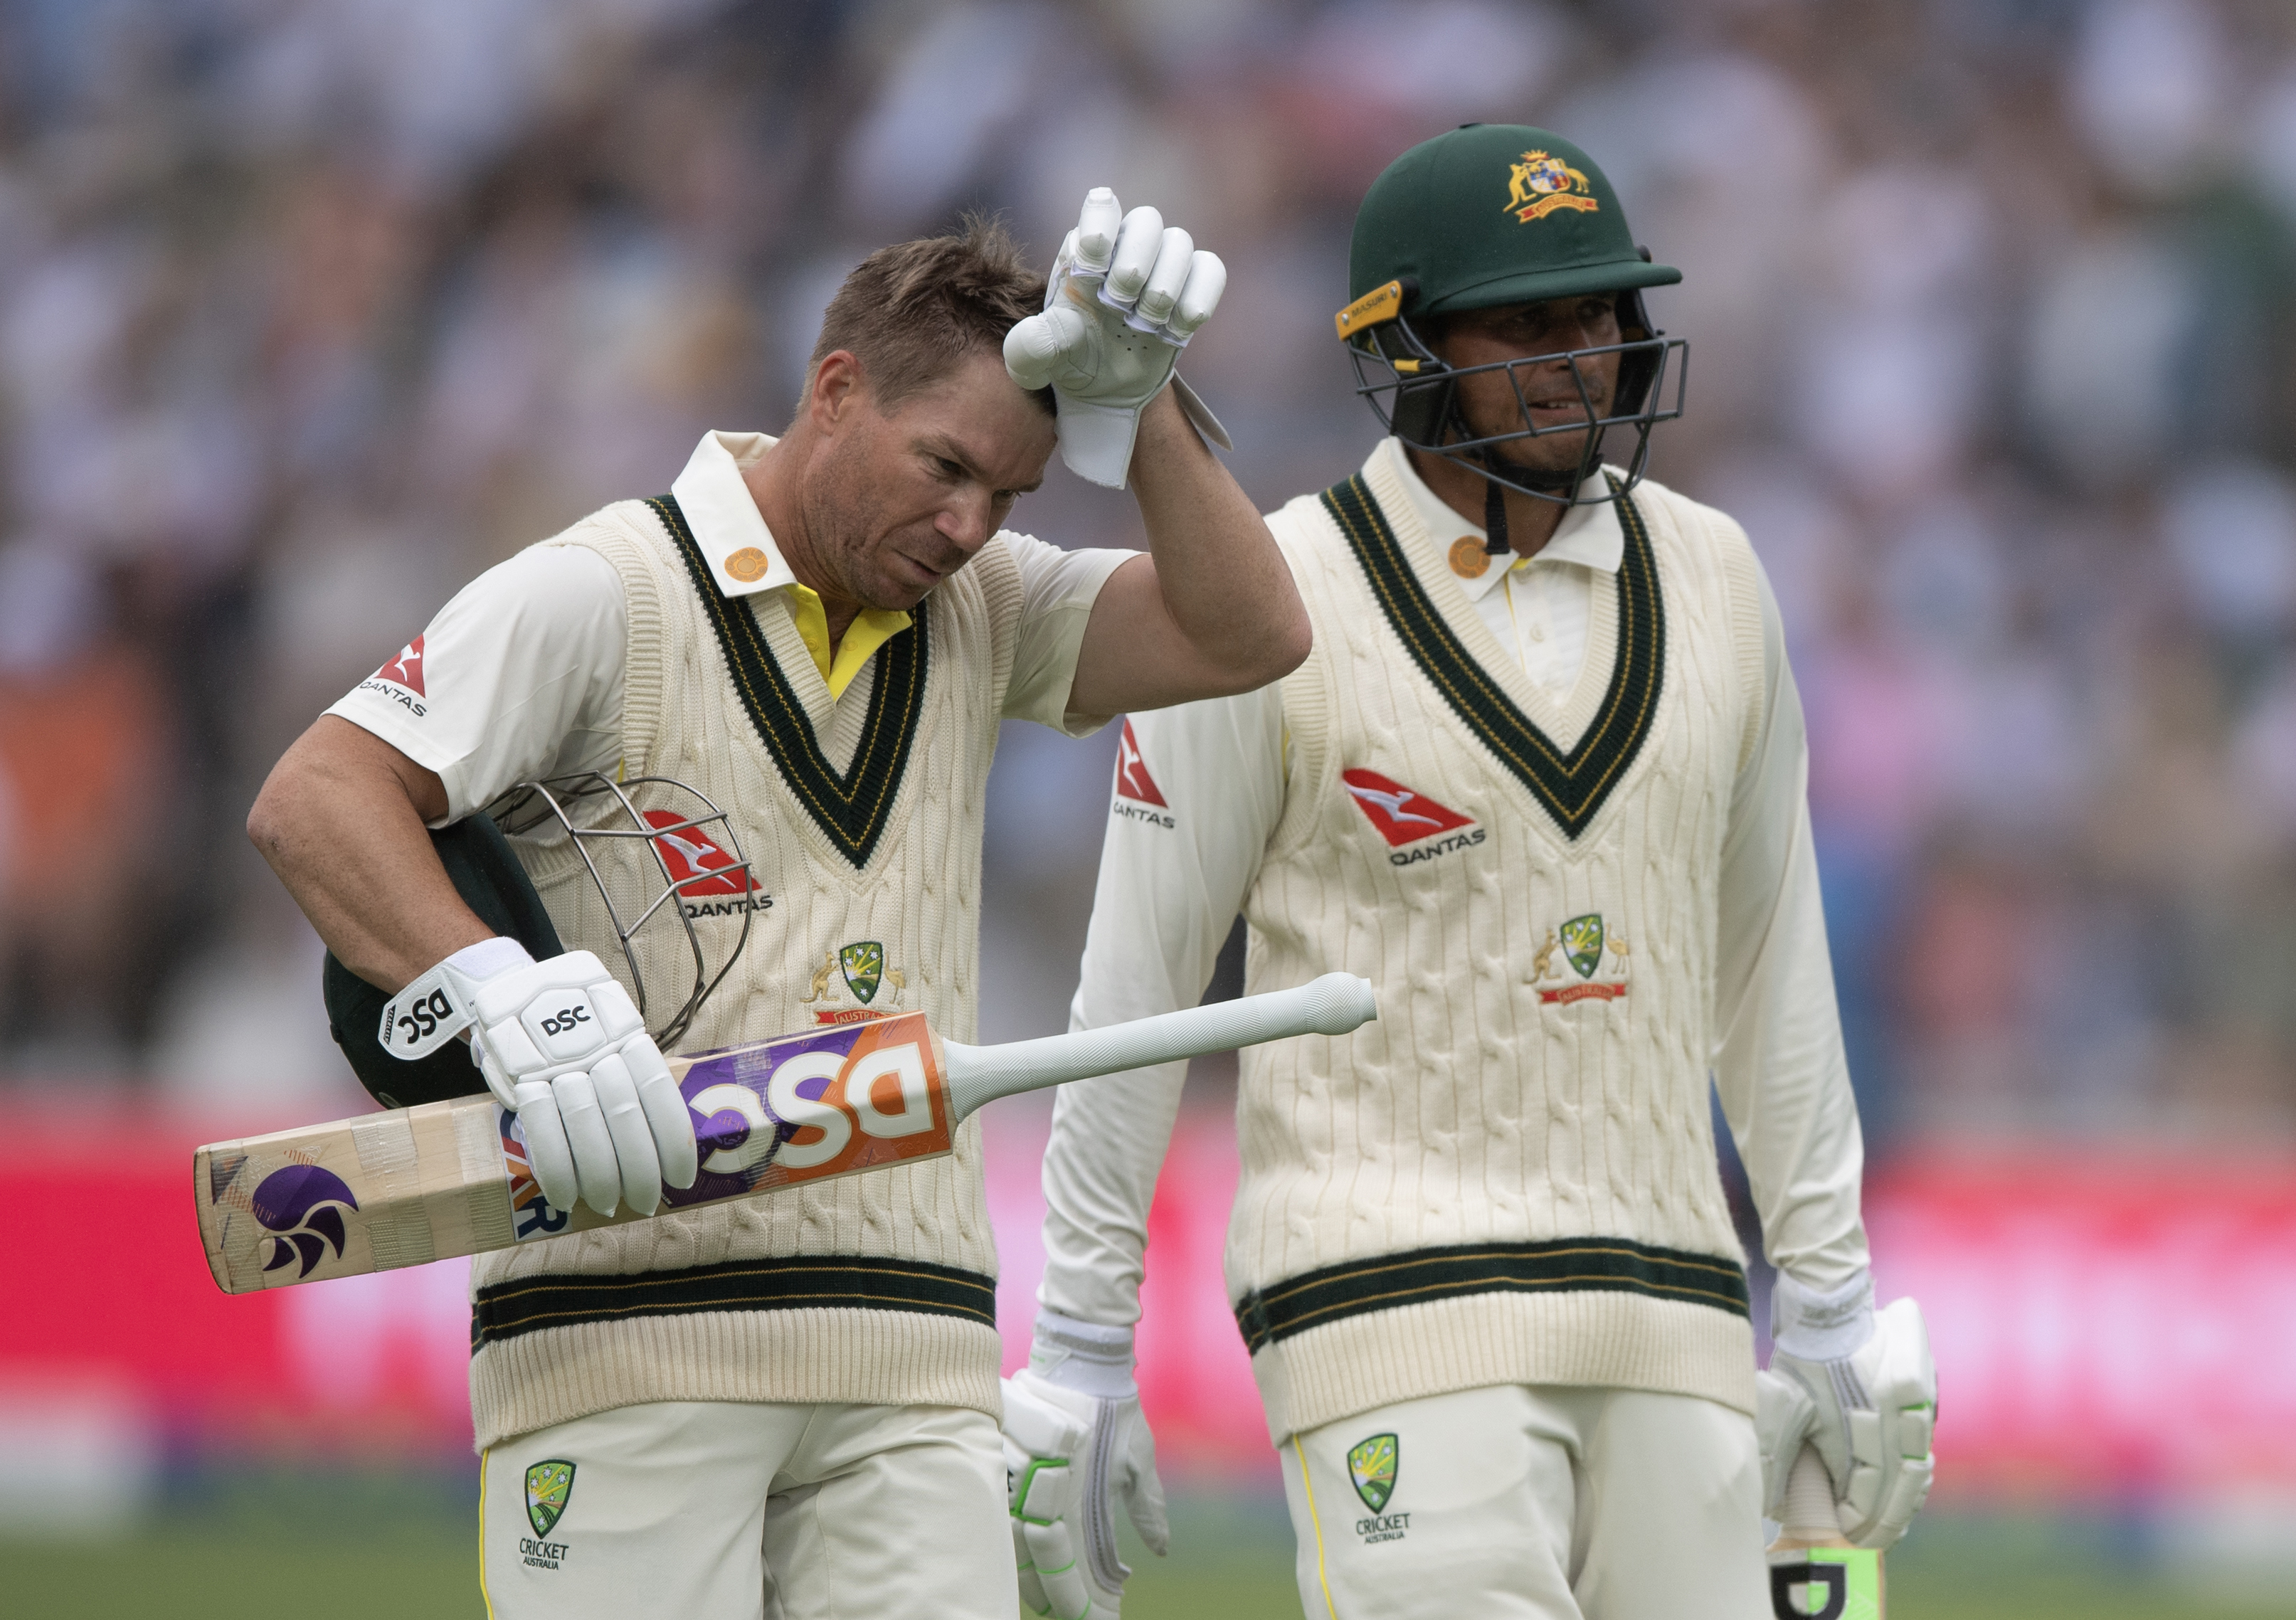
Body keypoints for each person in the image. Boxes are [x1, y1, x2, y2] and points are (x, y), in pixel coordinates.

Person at [247, 196, 1311, 1620]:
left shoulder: (989, 603)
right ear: (835, 391)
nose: (968, 522)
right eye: (946, 466)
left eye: (1008, 494)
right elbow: (318, 794)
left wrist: (1152, 403)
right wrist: (498, 987)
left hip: (914, 1353)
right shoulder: (602, 588)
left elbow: (1254, 633)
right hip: (624, 1334)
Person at [1006, 126, 1935, 1620]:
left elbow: (1770, 963)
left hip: (1677, 1308)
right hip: (1387, 1299)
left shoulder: (1717, 577)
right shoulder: (1266, 597)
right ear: (1410, 345)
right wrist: (1078, 1340)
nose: (1581, 356)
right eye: (1528, 322)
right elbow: (1138, 986)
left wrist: (1824, 1292)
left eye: (1602, 317)